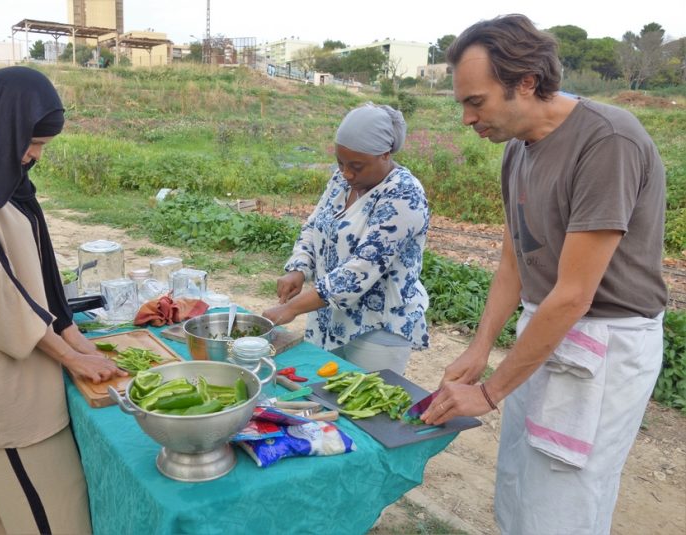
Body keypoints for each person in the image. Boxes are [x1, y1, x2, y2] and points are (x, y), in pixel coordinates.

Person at [421, 14, 667, 534]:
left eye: (476, 101)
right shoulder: (517, 150)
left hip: (602, 343)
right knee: (519, 486)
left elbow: (575, 294)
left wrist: (489, 392)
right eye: (462, 103)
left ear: (526, 82)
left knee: (562, 504)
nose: (467, 118)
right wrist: (480, 347)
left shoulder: (607, 142)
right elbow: (515, 257)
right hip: (544, 329)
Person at [0, 66, 126, 534]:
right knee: (54, 512)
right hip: (7, 391)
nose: (34, 155)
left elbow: (41, 274)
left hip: (17, 377)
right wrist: (72, 359)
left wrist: (76, 336)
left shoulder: (2, 183)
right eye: (31, 141)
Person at [262, 103, 429, 375]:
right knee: (320, 400)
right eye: (341, 163)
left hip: (376, 329)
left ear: (385, 154)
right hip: (329, 319)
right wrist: (298, 268)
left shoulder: (404, 195)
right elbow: (315, 226)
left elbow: (359, 270)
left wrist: (292, 308)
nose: (347, 173)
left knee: (364, 410)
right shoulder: (342, 181)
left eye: (357, 166)